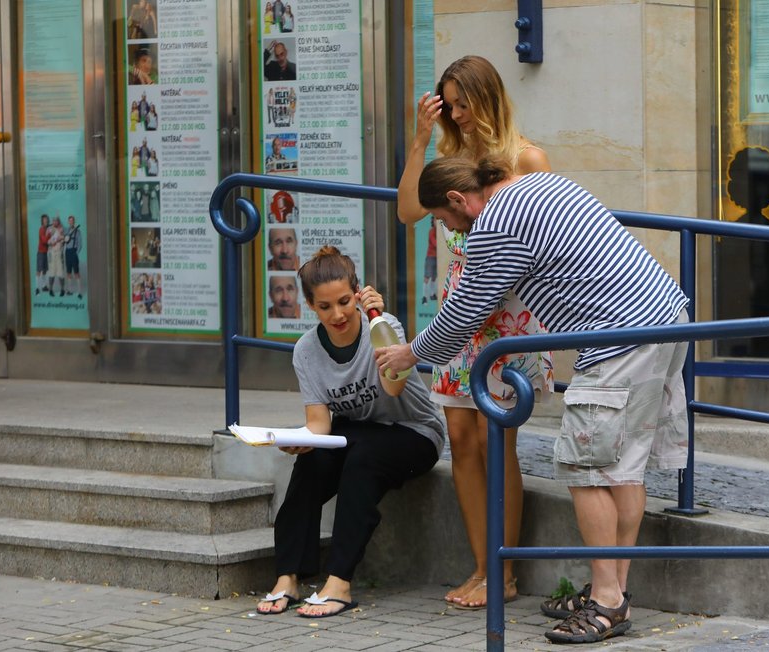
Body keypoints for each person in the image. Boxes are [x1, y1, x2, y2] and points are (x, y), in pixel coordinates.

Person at [375, 155, 690, 644]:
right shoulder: (537, 184)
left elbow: (463, 316)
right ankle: (615, 591)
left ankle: (607, 602)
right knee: (623, 467)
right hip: (664, 317)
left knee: (588, 471)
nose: (449, 228)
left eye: (443, 219)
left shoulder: (494, 224)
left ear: (458, 200)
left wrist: (409, 352)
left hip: (618, 338)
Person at [395, 54, 554, 609]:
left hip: (508, 313)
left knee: (497, 438)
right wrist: (419, 141)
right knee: (460, 438)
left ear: (489, 98)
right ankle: (483, 566)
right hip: (457, 315)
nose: (458, 115)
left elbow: (548, 229)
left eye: (465, 103)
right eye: (450, 105)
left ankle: (503, 573)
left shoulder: (525, 158)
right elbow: (409, 211)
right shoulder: (449, 156)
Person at [255, 246, 445, 618]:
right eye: (325, 307)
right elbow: (320, 424)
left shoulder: (383, 325)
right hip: (355, 431)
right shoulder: (306, 350)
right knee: (312, 462)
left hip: (413, 432)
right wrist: (298, 440)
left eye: (345, 302)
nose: (338, 314)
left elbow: (393, 389)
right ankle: (288, 576)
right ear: (311, 305)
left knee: (362, 459)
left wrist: (378, 323)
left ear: (358, 293)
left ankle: (340, 582)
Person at [46, 216, 66, 297]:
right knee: (51, 273)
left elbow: (64, 240)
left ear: (58, 221)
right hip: (51, 253)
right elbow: (46, 241)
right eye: (53, 220)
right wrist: (51, 243)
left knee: (61, 273)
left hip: (59, 253)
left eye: (56, 221)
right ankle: (50, 290)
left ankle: (62, 290)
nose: (55, 222)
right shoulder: (49, 229)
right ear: (52, 221)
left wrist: (60, 239)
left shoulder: (62, 229)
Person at [64, 215, 82, 299]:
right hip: (67, 252)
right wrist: (64, 239)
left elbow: (80, 244)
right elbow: (63, 241)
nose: (71, 222)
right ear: (68, 222)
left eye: (72, 221)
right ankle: (69, 291)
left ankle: (79, 292)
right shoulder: (66, 231)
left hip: (73, 252)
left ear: (74, 221)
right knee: (68, 272)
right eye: (69, 221)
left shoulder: (78, 231)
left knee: (76, 272)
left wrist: (76, 253)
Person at [34, 214, 50, 295]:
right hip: (40, 253)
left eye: (47, 219)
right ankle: (37, 288)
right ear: (42, 221)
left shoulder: (47, 229)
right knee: (39, 270)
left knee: (44, 270)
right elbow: (44, 241)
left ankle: (44, 286)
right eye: (44, 220)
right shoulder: (41, 229)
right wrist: (50, 235)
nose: (46, 221)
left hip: (46, 252)